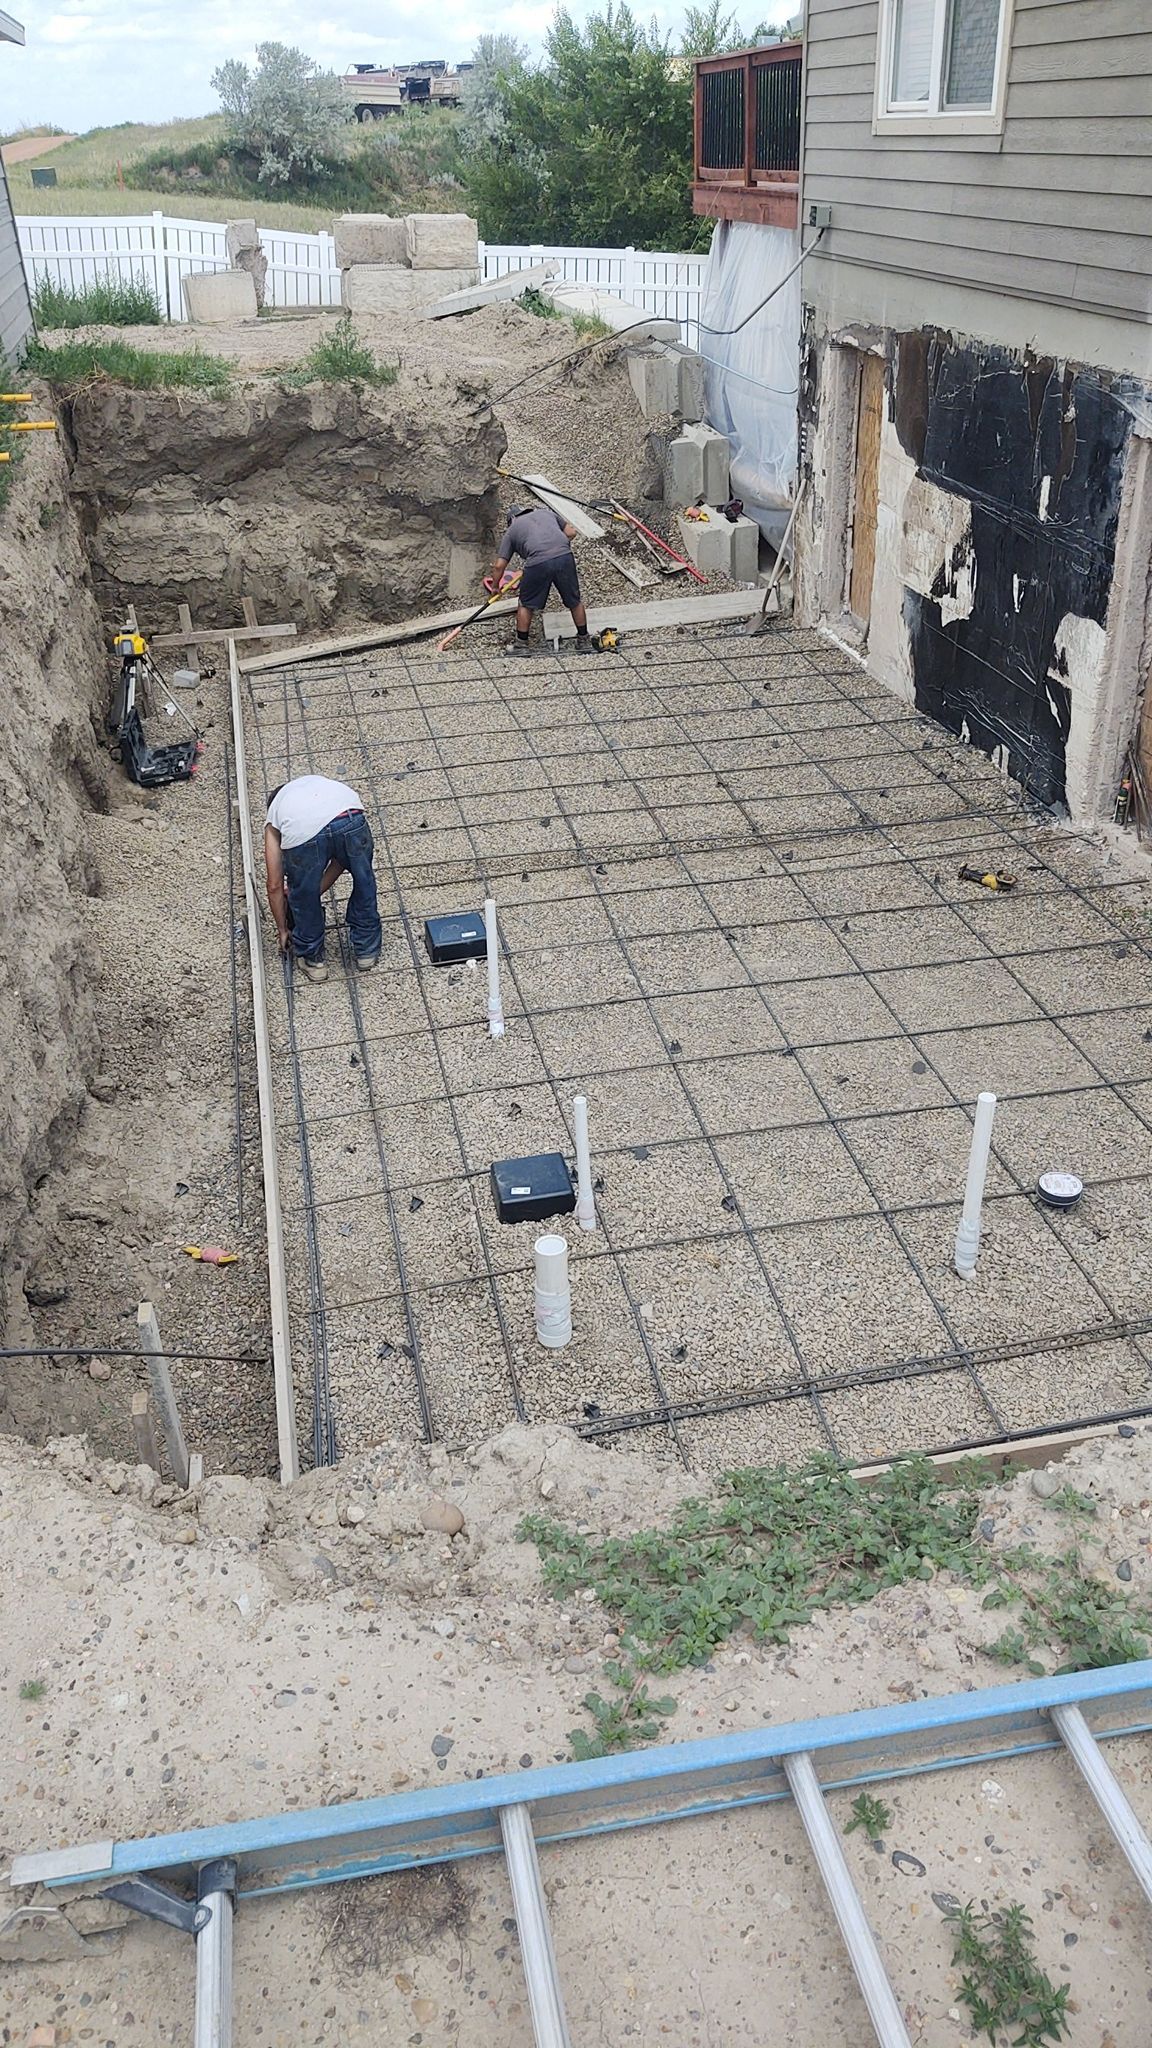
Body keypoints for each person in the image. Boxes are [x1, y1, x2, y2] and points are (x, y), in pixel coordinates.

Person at [264, 775, 382, 985]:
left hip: (305, 834)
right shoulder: (318, 784)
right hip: (350, 816)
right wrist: (308, 891)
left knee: (301, 894)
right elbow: (341, 858)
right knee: (364, 881)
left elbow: (274, 885)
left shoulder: (274, 816)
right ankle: (366, 951)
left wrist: (283, 927)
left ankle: (314, 960)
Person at [489, 504, 596, 657]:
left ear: (511, 520)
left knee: (525, 604)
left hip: (537, 561)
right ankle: (584, 641)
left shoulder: (512, 530)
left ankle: (521, 645)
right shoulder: (546, 513)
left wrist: (495, 587)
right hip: (564, 556)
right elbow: (571, 532)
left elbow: (499, 566)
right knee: (574, 600)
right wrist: (553, 546)